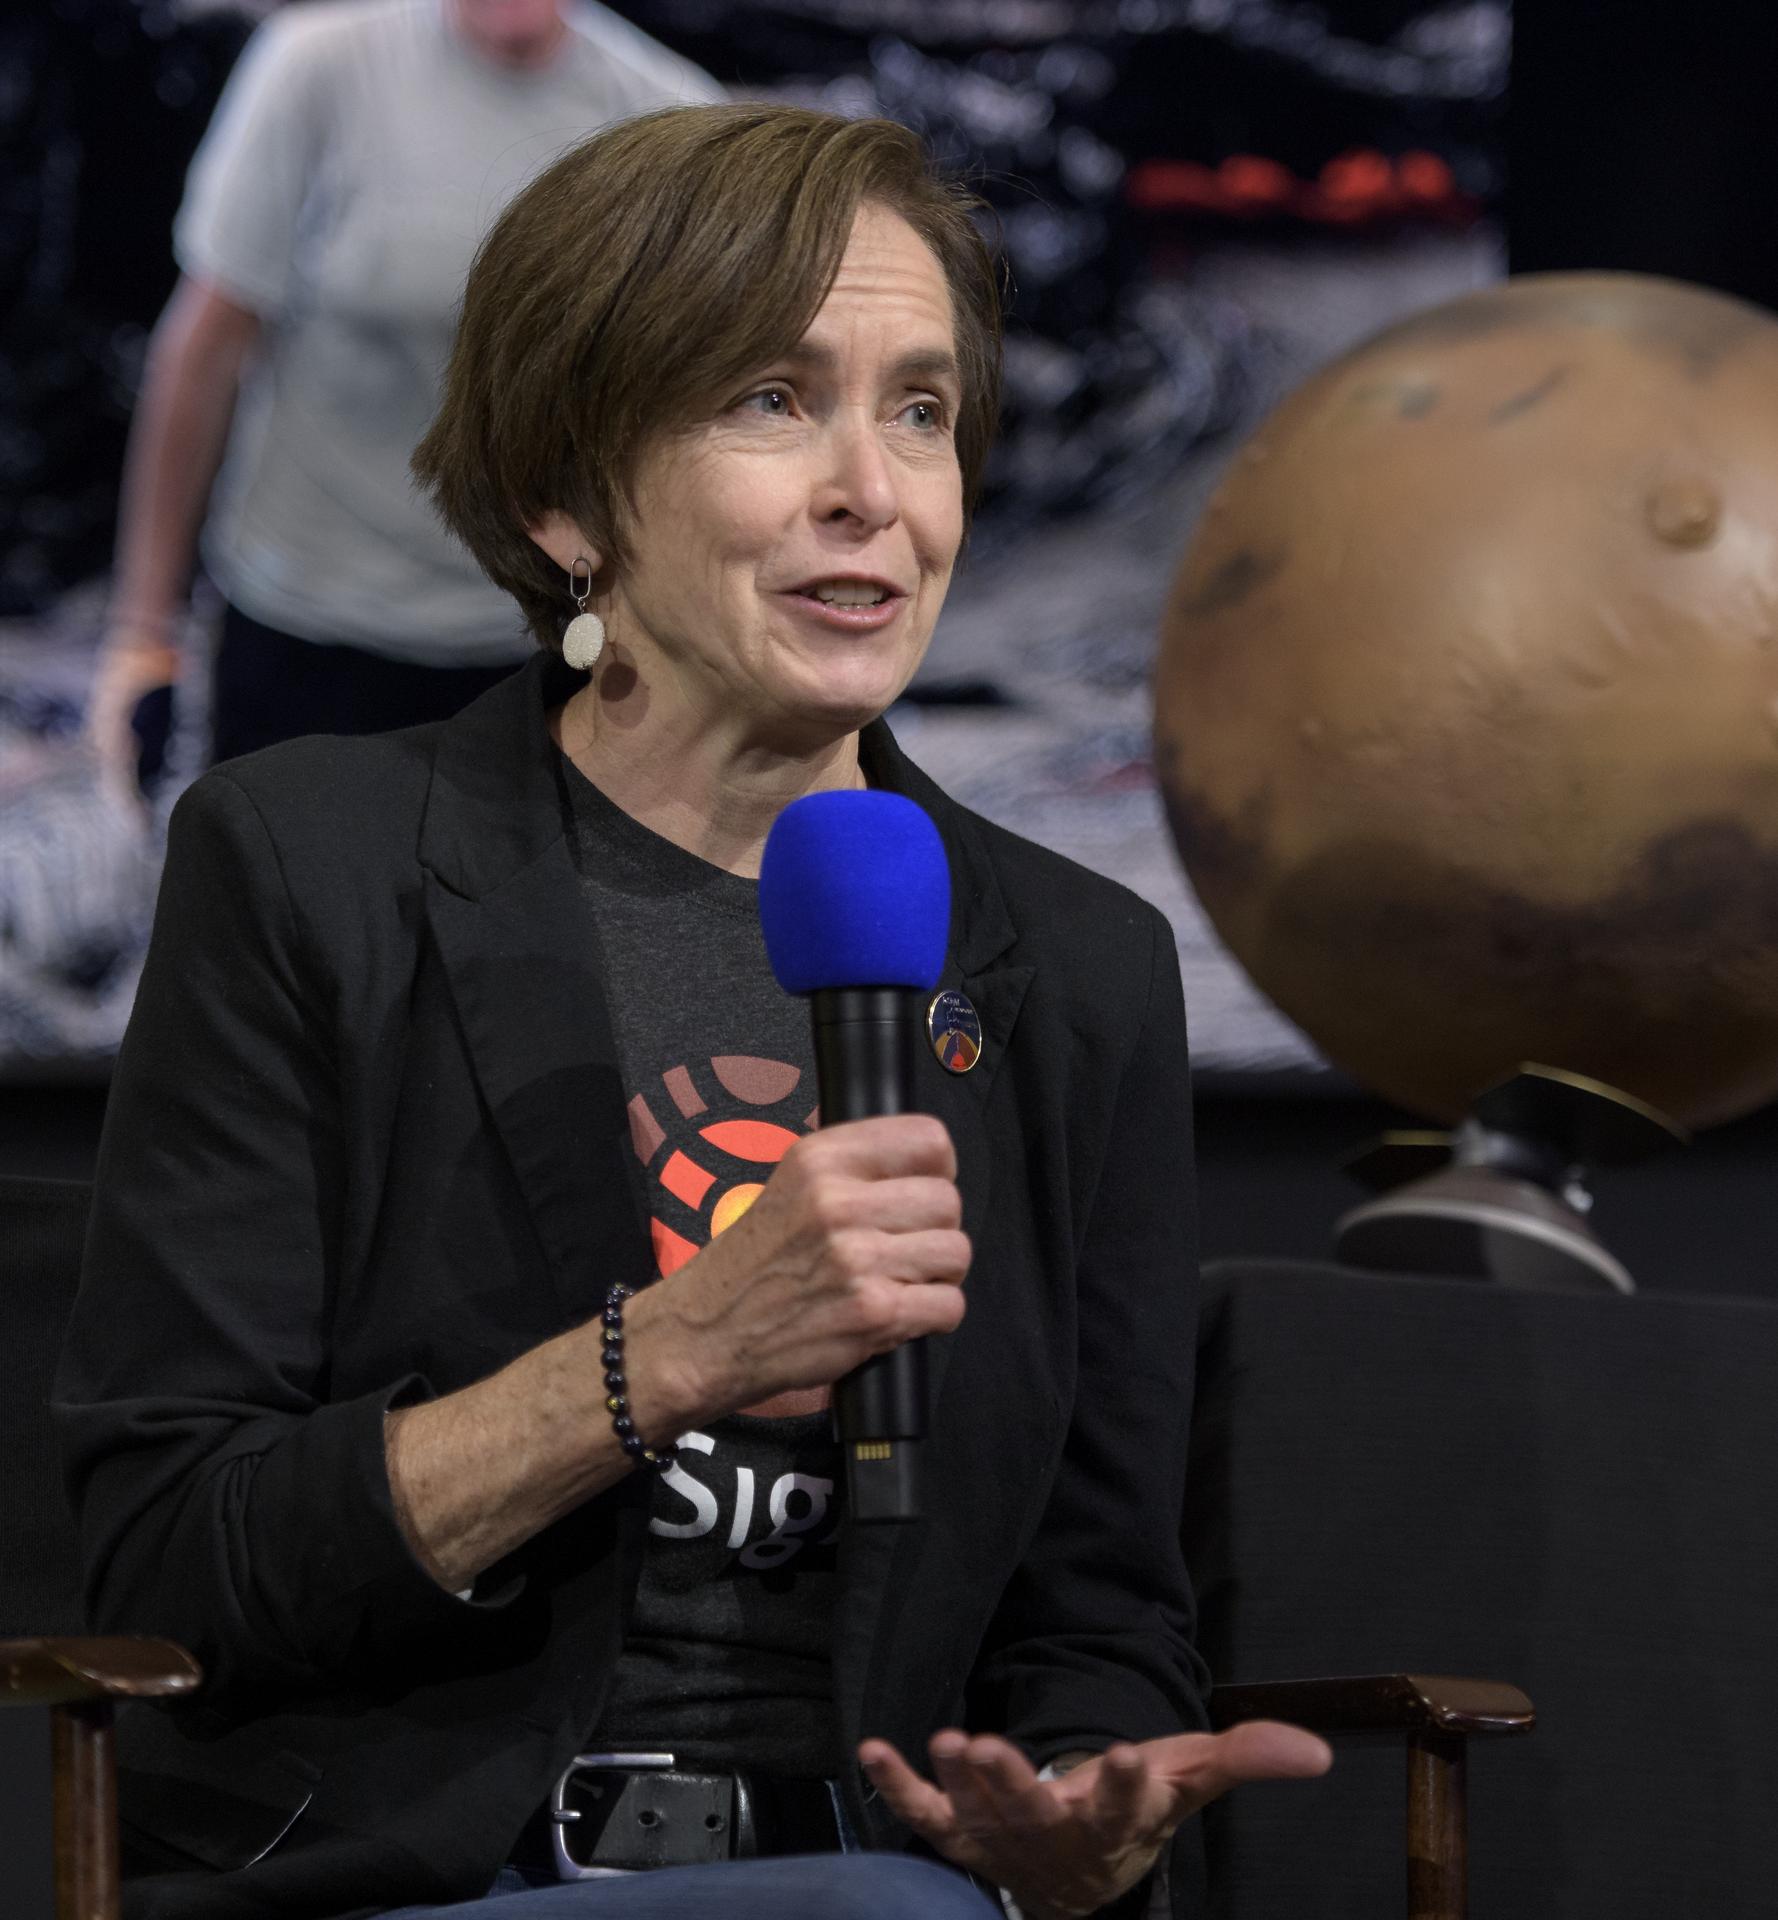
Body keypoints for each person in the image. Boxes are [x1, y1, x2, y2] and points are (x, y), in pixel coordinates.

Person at [55, 103, 1331, 1920]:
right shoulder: (310, 866)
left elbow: (1098, 1614)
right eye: (770, 400)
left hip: (874, 1877)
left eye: (919, 410)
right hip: (423, 1878)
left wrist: (1072, 1812)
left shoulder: (1077, 966)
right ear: (563, 502)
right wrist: (661, 1359)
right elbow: (176, 1557)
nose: (872, 492)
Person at [87, 0, 719, 784]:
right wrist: (142, 632)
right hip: (305, 632)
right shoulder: (321, 69)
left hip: (531, 647)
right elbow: (205, 349)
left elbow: (689, 419)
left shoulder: (666, 115)